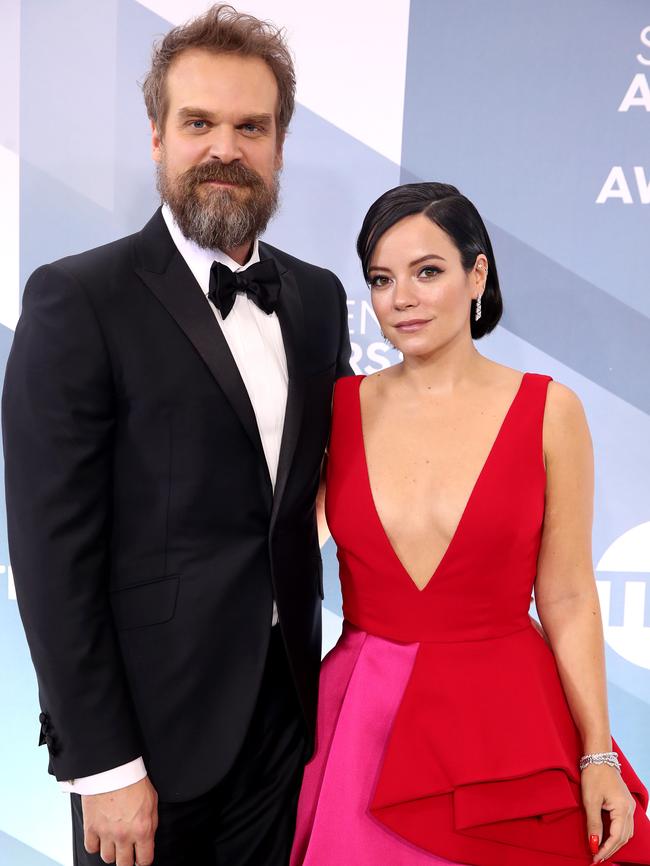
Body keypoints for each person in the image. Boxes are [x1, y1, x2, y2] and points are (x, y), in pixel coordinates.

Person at [2, 6, 351, 866]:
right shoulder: (78, 299)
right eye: (198, 122)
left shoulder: (317, 298)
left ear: (278, 146)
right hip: (148, 746)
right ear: (157, 137)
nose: (224, 148)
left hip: (288, 725)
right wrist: (103, 764)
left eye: (250, 126)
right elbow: (50, 556)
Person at [290, 182, 650, 866]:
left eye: (428, 272)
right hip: (361, 723)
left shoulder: (550, 411)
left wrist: (596, 751)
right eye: (380, 279)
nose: (402, 299)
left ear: (476, 273)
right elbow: (278, 556)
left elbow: (569, 596)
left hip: (508, 723)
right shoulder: (335, 408)